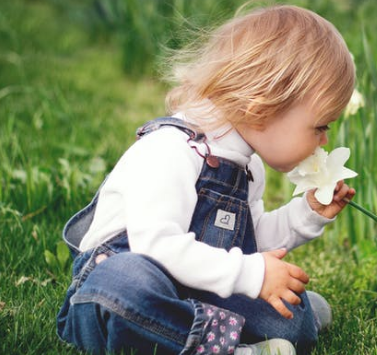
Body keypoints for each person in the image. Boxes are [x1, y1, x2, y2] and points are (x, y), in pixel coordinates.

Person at [56, 4, 356, 355]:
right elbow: (156, 246)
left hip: (191, 288)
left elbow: (249, 243)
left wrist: (306, 214)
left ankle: (206, 334)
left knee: (290, 313)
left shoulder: (246, 167)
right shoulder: (171, 150)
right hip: (125, 287)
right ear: (261, 107)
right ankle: (225, 347)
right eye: (320, 127)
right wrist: (251, 276)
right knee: (124, 286)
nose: (323, 141)